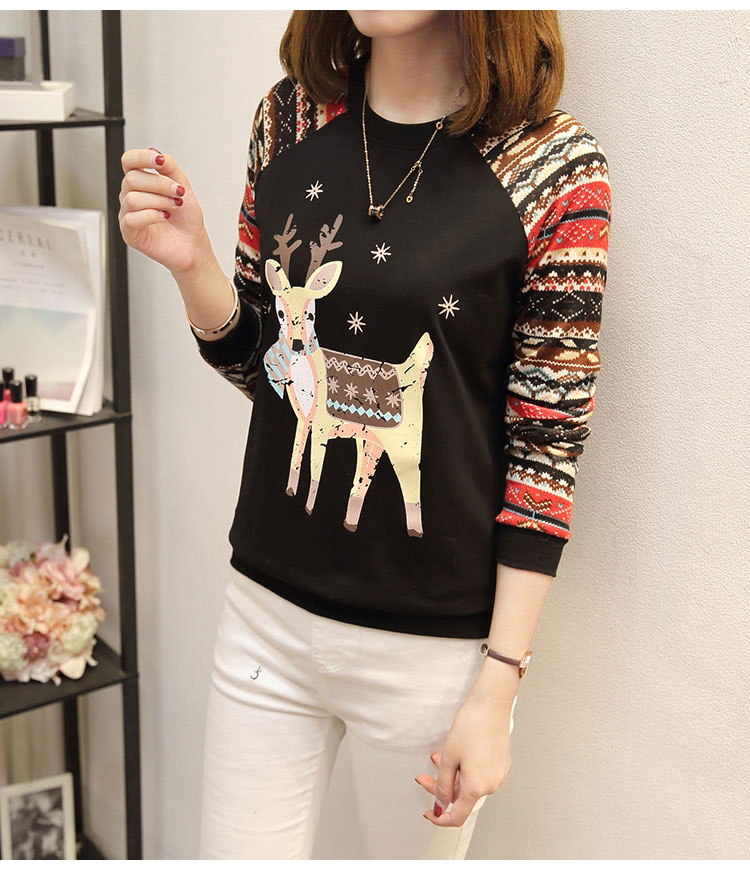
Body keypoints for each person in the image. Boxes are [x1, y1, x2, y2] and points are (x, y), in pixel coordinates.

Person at [118, 9, 611, 860]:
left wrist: (497, 688)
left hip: (430, 660)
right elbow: (274, 376)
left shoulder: (554, 168)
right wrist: (193, 265)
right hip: (264, 619)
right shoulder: (289, 118)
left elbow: (547, 447)